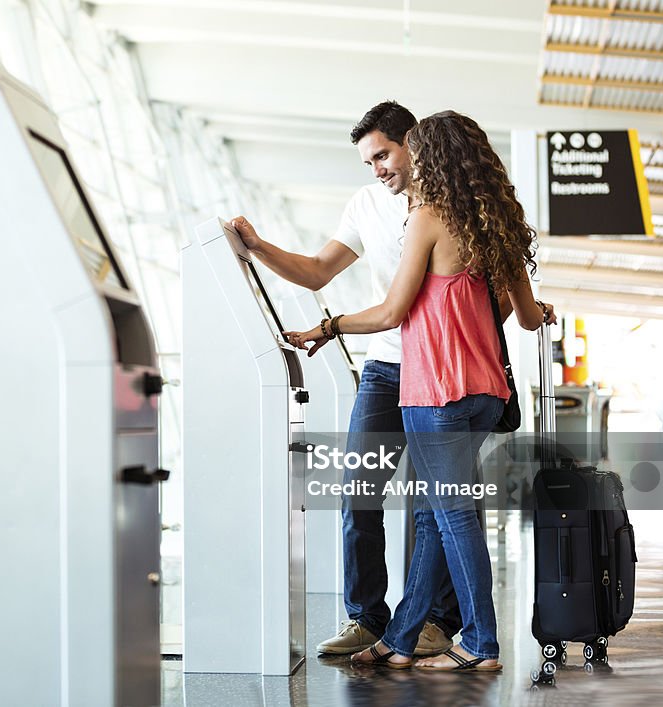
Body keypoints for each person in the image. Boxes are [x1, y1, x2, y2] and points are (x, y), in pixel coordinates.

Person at [284, 110, 557, 671]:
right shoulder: (497, 222)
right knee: (437, 515)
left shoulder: (428, 217)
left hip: (436, 389)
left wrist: (327, 327)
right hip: (487, 392)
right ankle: (402, 639)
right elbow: (527, 317)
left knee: (452, 517)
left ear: (425, 154)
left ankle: (481, 644)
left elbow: (391, 311)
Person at [231, 101, 464, 657]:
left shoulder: (452, 202)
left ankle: (437, 621)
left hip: (442, 370)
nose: (378, 168)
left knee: (441, 502)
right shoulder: (366, 204)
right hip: (385, 368)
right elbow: (317, 270)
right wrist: (258, 246)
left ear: (414, 141)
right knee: (359, 494)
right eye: (369, 161)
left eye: (383, 154)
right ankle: (366, 617)